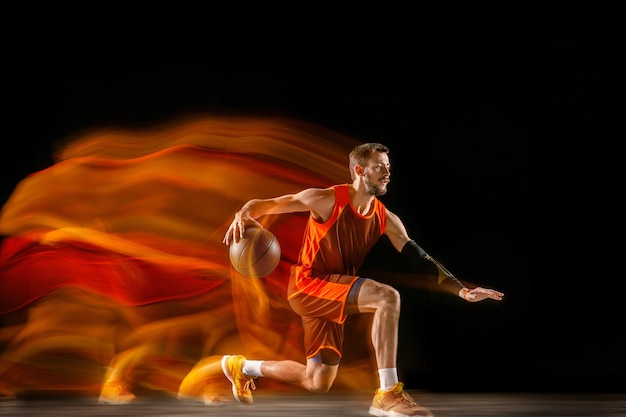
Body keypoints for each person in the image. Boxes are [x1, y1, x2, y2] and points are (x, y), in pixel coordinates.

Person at [221, 142, 504, 417]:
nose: (387, 172)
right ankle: (387, 394)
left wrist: (462, 291)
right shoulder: (326, 199)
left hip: (331, 291)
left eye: (388, 167)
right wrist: (244, 212)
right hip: (308, 285)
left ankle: (243, 368)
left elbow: (420, 258)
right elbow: (272, 203)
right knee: (387, 297)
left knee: (316, 381)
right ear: (359, 171)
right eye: (379, 166)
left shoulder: (386, 218)